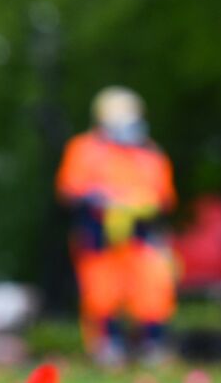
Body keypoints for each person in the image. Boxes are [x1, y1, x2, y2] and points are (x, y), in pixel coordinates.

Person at [56, 87, 177, 364]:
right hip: (98, 235)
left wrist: (141, 204)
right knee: (101, 291)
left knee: (153, 286)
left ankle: (152, 345)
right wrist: (102, 200)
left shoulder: (150, 155)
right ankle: (107, 346)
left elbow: (164, 197)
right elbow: (70, 189)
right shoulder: (84, 149)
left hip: (141, 235)